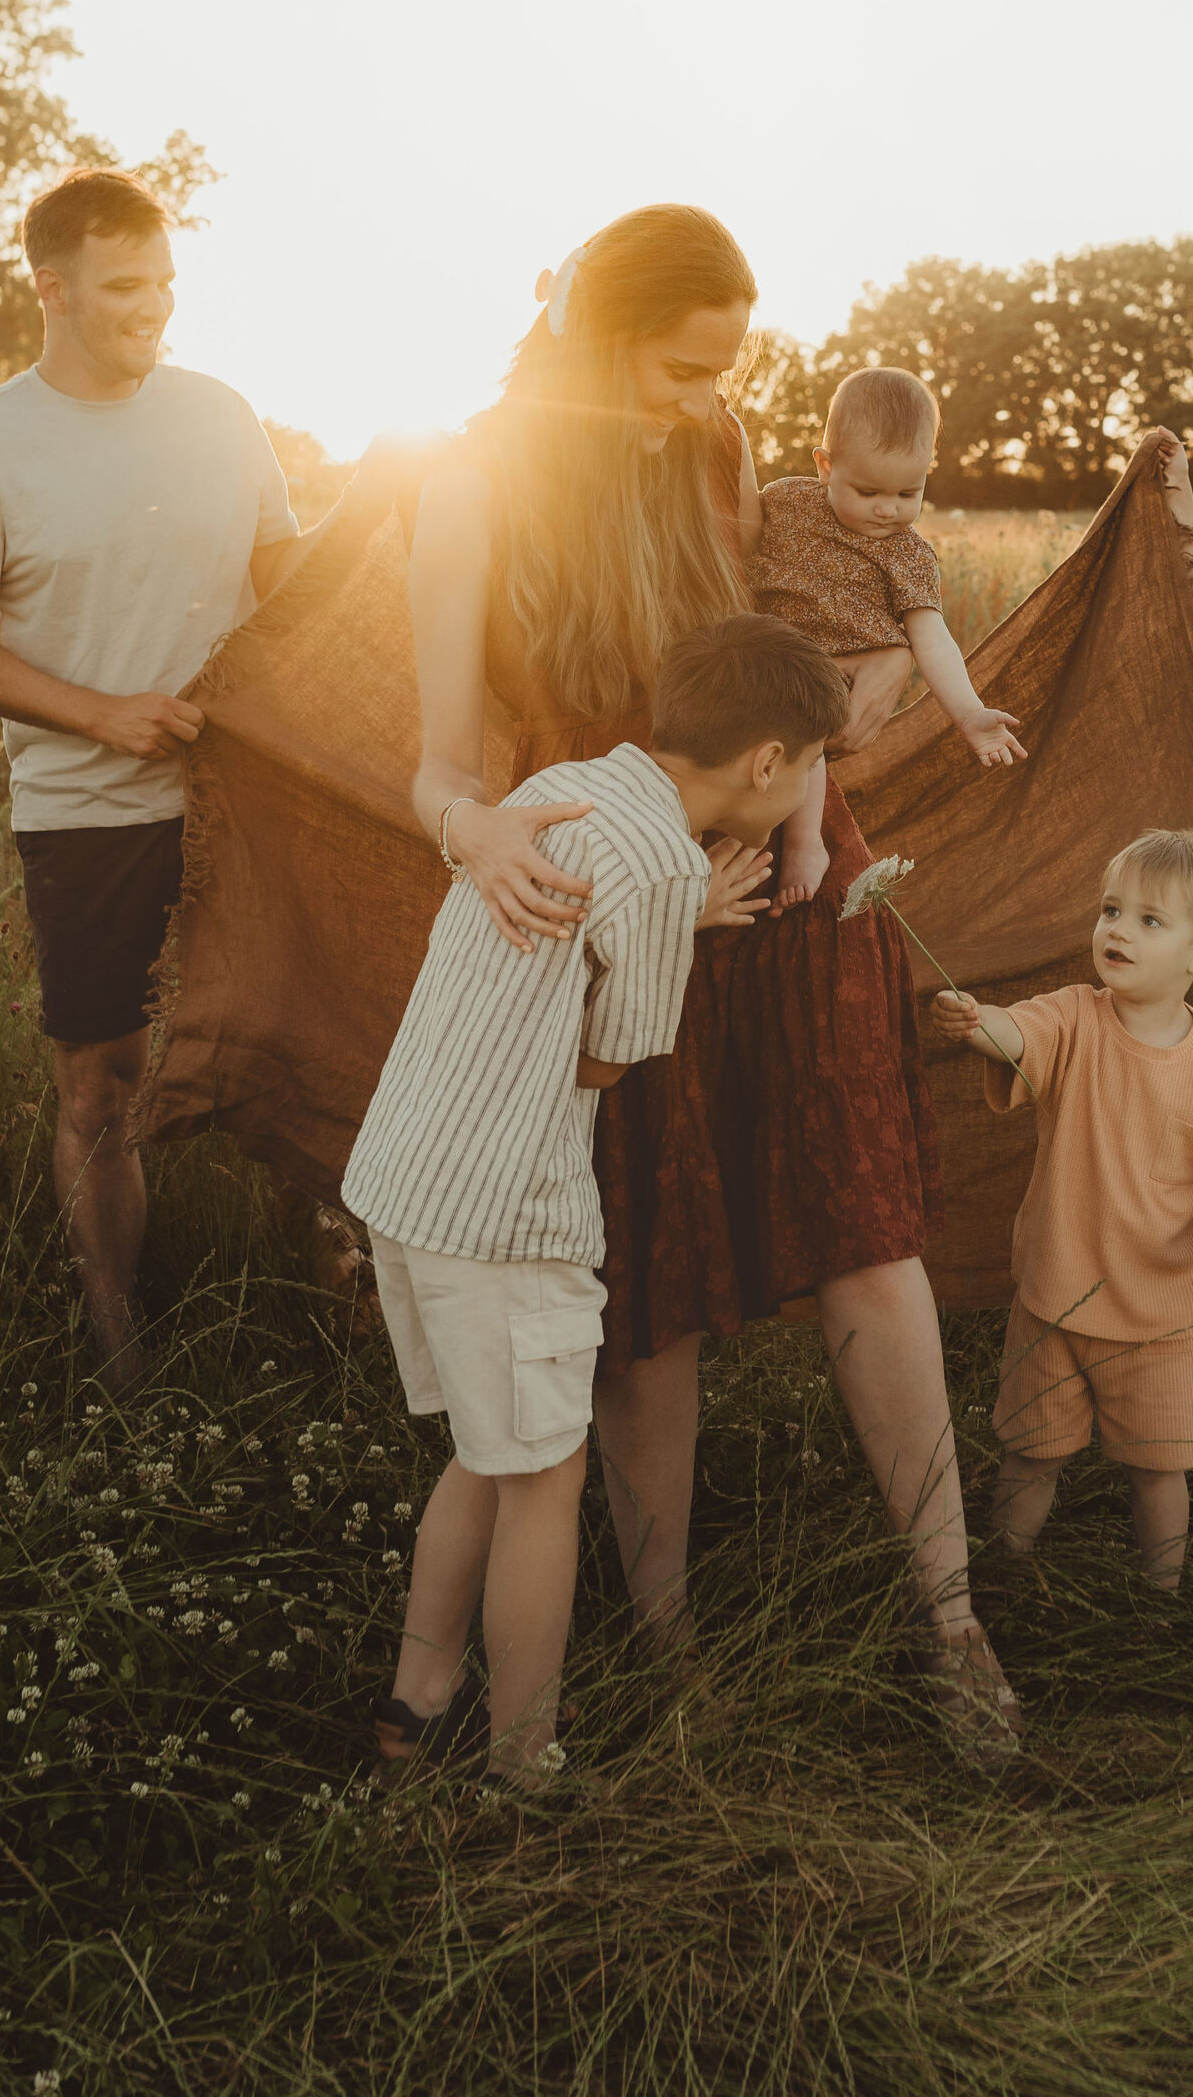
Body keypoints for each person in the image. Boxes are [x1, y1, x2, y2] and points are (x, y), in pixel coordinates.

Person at [404, 202, 1021, 1760]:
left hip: (790, 867)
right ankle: (671, 1642)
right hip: (616, 904)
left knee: (862, 1214)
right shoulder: (467, 483)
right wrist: (476, 834)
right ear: (598, 338)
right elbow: (437, 770)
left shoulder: (719, 447)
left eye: (722, 372)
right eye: (683, 371)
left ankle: (948, 1615)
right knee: (645, 1270)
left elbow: (809, 628)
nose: (707, 403)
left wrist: (843, 728)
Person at [348, 617, 846, 1789]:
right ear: (768, 764)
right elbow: (606, 1065)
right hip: (507, 1206)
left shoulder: (565, 787)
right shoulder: (670, 869)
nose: (816, 784)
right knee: (544, 1479)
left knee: (487, 1449)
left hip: (408, 1170)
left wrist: (684, 920)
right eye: (818, 762)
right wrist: (685, 920)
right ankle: (526, 1760)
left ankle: (416, 1707)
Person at [0, 167, 312, 1387]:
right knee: (102, 1080)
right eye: (129, 286)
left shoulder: (223, 415)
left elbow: (288, 592)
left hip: (245, 797)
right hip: (89, 811)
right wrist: (104, 716)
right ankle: (119, 1334)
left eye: (168, 283)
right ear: (53, 288)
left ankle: (313, 1269)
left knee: (289, 1041)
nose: (157, 307)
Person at [934, 830, 1193, 1592]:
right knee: (1030, 1453)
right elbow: (1019, 1033)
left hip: (1161, 1314)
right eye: (1111, 910)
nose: (1117, 929)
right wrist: (976, 1021)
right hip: (1055, 1296)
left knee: (1159, 1469)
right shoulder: (1073, 1017)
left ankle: (1162, 1599)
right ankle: (1002, 1580)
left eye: (1149, 921)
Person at [745, 364, 1025, 907]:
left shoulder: (907, 553)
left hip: (827, 677)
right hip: (762, 655)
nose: (887, 509)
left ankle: (805, 845)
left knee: (804, 727)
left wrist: (969, 715)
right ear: (825, 467)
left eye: (907, 492)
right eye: (869, 490)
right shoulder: (782, 501)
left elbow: (933, 638)